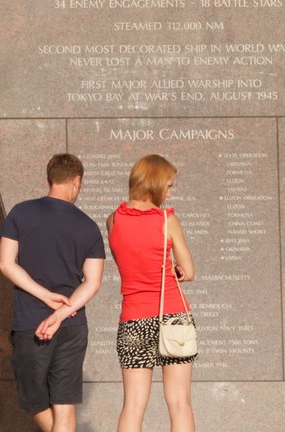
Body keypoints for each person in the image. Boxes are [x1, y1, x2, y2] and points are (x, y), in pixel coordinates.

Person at [0, 153, 106, 432]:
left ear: (49, 180)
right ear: (76, 181)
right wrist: (61, 313)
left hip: (30, 322)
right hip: (72, 323)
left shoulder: (20, 212)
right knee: (64, 402)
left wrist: (44, 296)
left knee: (34, 402)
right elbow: (92, 283)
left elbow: (6, 264)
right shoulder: (88, 226)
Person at [108, 154, 196, 432]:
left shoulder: (113, 220)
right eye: (169, 186)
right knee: (179, 402)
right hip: (173, 317)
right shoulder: (167, 220)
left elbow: (126, 260)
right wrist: (176, 271)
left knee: (133, 405)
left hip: (133, 319)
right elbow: (188, 271)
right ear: (155, 184)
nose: (170, 193)